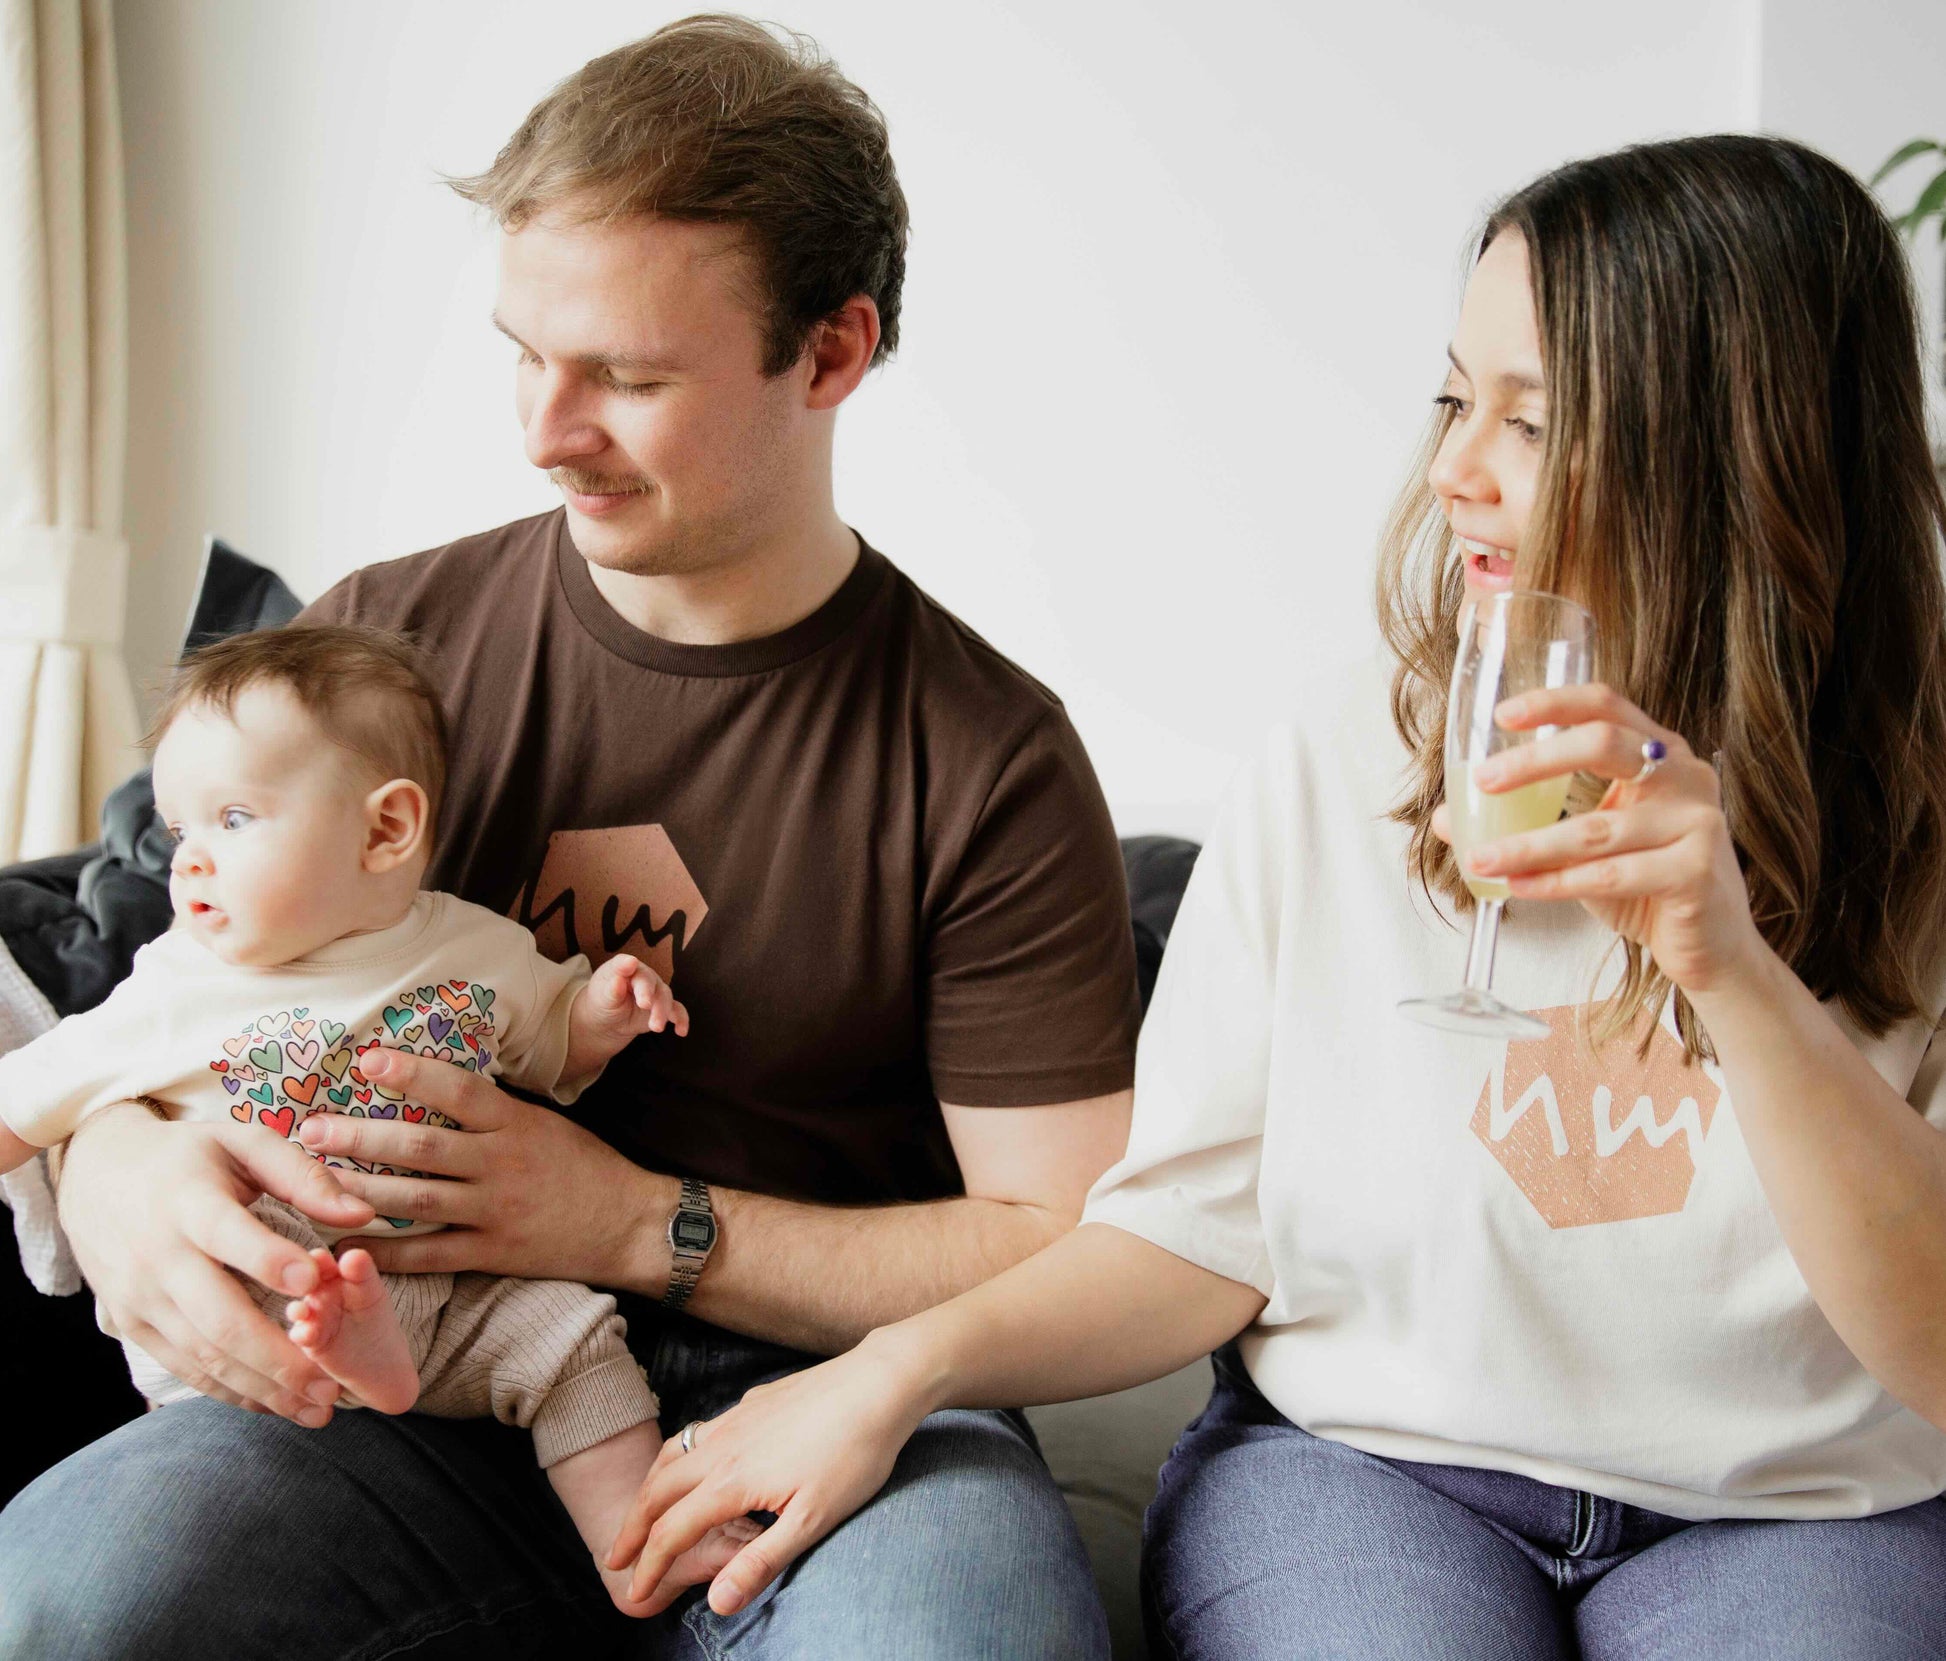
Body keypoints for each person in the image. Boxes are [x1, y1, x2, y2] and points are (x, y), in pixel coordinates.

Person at [609, 135, 1946, 1660]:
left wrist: (1735, 976)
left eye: (1531, 417)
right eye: (1455, 398)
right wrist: (894, 1369)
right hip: (1364, 1478)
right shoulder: (1347, 754)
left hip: (1798, 1515)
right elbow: (1194, 1228)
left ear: (1737, 447)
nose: (1451, 469)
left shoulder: (1923, 805)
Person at [0, 17, 1137, 1660]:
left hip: (819, 1410)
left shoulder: (983, 755)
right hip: (407, 1371)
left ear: (829, 355)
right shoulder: (385, 644)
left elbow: (1065, 1247)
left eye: (628, 375)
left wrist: (622, 1221)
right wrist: (110, 1166)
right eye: (524, 351)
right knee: (71, 1593)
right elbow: (148, 989)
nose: (545, 429)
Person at [0, 624, 760, 1615]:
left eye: (231, 819)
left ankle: (632, 1543)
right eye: (177, 829)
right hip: (270, 1326)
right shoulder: (175, 990)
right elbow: (28, 1096)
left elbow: (550, 1036)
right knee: (254, 1218)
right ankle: (351, 1341)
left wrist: (607, 1008)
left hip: (454, 1295)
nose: (186, 864)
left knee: (572, 1338)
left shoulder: (475, 947)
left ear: (385, 830)